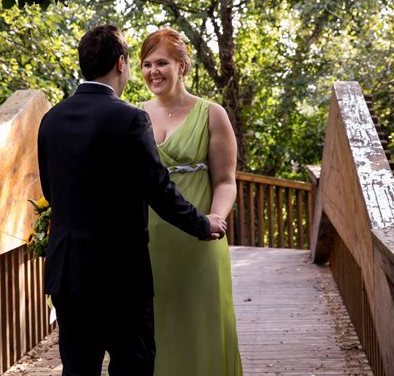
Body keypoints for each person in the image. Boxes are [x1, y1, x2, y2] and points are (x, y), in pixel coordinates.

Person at [37, 24, 228, 376]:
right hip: (120, 275)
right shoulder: (129, 118)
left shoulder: (51, 120)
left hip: (68, 273)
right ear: (122, 64)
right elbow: (159, 189)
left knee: (78, 369)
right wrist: (203, 223)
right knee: (133, 366)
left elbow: (51, 192)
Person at [139, 28, 243, 375]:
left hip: (201, 237)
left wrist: (214, 217)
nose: (154, 71)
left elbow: (226, 180)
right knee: (153, 333)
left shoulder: (212, 114)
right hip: (148, 242)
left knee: (200, 328)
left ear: (182, 66)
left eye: (162, 63)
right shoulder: (134, 116)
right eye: (146, 64)